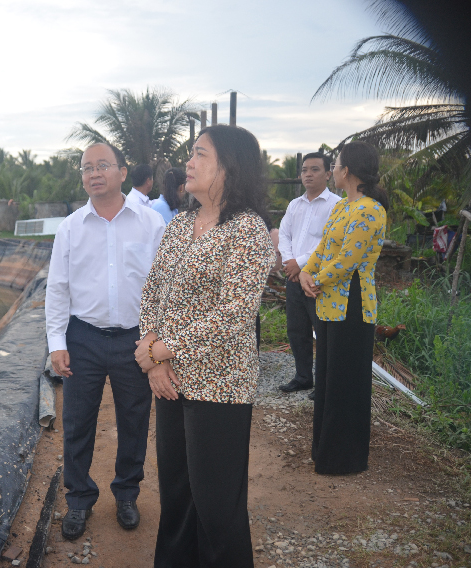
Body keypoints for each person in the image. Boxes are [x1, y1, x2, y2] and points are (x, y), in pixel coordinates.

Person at [136, 125, 275, 567]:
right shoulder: (179, 224)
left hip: (220, 385)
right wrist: (152, 354)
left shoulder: (248, 231)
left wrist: (163, 350)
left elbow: (234, 313)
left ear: (229, 167)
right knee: (176, 496)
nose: (188, 163)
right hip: (171, 380)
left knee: (216, 505)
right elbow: (153, 291)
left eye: (199, 154)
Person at [45, 143, 165, 540]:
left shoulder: (150, 224)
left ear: (122, 172)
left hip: (136, 339)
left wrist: (157, 341)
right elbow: (58, 289)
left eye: (102, 166)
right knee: (78, 421)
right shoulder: (70, 228)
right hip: (84, 339)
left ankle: (127, 493)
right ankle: (79, 499)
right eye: (86, 168)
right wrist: (57, 342)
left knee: (134, 418)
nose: (94, 173)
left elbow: (164, 287)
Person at [299, 141, 388, 475]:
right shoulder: (341, 208)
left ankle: (344, 459)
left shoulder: (369, 210)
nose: (333, 169)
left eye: (335, 164)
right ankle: (324, 451)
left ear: (347, 170)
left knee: (346, 382)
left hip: (353, 305)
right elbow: (324, 248)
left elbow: (348, 259)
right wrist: (308, 272)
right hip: (328, 304)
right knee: (328, 380)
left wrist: (315, 279)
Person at [277, 153, 341, 395]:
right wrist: (289, 261)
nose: (308, 174)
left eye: (315, 169)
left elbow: (328, 243)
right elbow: (284, 235)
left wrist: (299, 263)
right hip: (294, 278)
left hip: (318, 280)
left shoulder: (336, 205)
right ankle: (303, 377)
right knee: (296, 329)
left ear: (327, 174)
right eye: (304, 170)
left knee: (322, 331)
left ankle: (324, 384)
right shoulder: (295, 205)